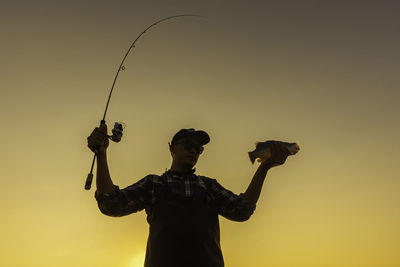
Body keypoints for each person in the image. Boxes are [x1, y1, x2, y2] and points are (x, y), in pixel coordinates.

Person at [87, 124, 289, 267]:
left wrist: (265, 167)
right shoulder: (154, 184)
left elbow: (242, 210)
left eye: (198, 149)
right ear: (172, 148)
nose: (194, 151)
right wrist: (102, 154)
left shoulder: (209, 186)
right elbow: (111, 204)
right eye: (188, 145)